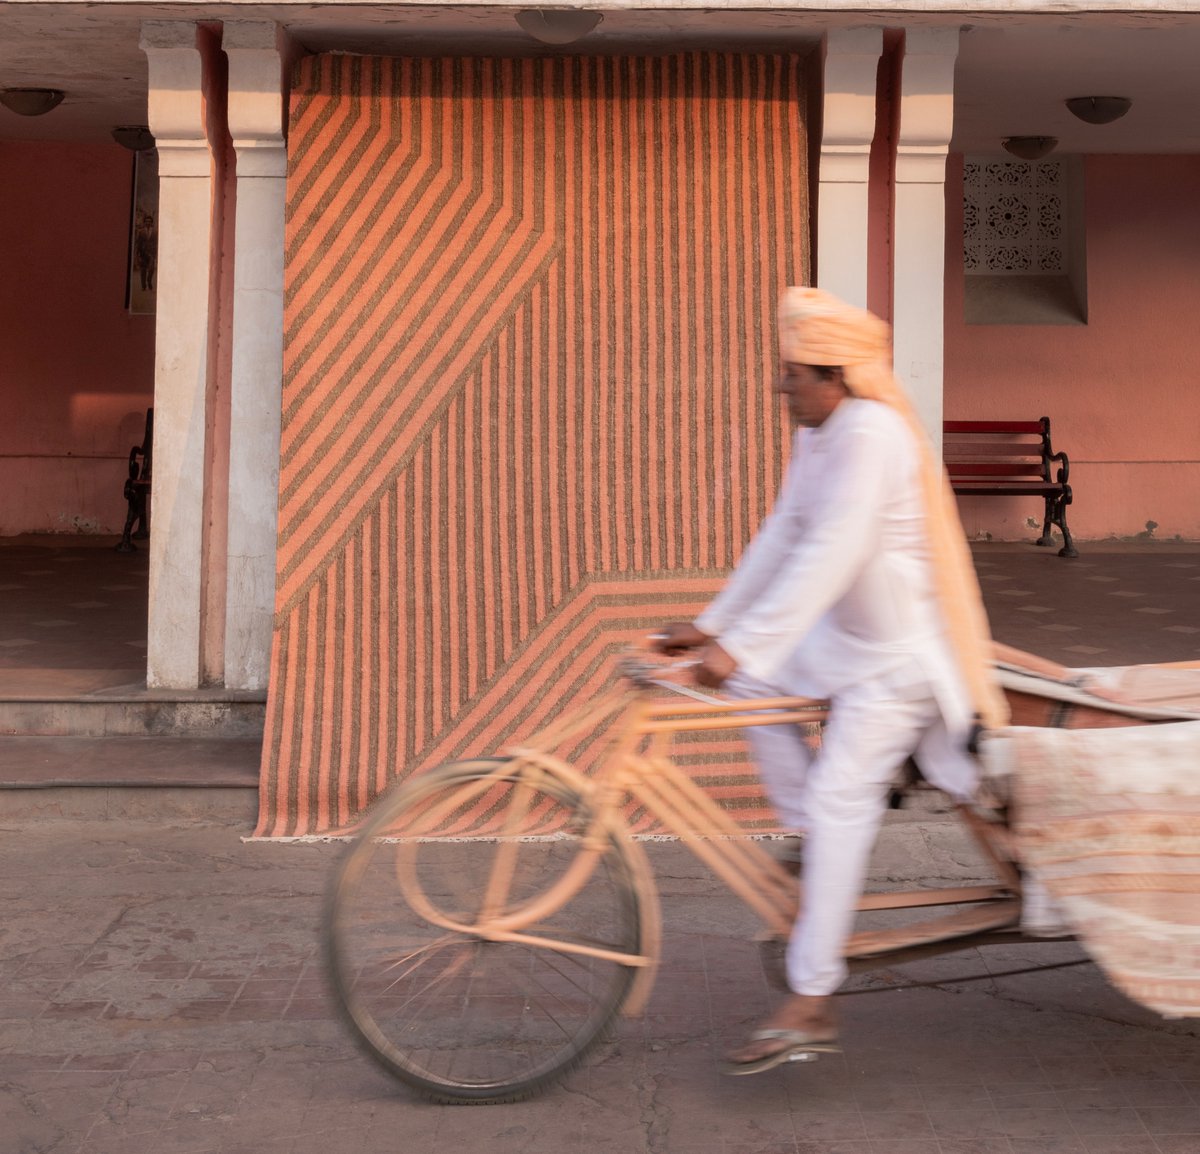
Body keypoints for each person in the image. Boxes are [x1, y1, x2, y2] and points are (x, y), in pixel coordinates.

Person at [655, 287, 1007, 1075]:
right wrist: (717, 629)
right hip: (840, 639)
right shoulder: (821, 432)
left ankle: (811, 1000)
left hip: (895, 661)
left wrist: (743, 644)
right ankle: (813, 843)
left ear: (837, 377)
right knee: (747, 689)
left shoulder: (873, 433)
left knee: (840, 799)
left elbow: (836, 551)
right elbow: (787, 530)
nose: (781, 390)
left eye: (792, 377)